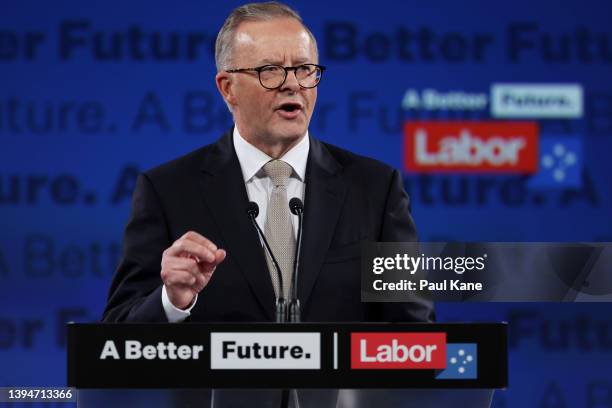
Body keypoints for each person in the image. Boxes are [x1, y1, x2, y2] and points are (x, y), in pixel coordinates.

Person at [103, 2, 433, 406]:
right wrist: (173, 301)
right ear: (227, 88)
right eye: (270, 71)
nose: (292, 84)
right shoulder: (168, 190)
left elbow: (416, 335)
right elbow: (114, 343)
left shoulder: (376, 187)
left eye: (305, 70)